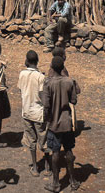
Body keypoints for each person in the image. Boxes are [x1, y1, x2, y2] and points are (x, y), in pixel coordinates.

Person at [41, 56, 80, 192]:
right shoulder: (70, 82)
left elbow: (46, 105)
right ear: (63, 67)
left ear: (51, 67)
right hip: (67, 122)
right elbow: (74, 101)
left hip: (54, 124)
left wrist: (46, 120)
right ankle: (73, 180)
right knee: (69, 150)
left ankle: (56, 184)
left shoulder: (48, 83)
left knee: (55, 152)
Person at [17, 49, 48, 177]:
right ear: (37, 61)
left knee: (31, 141)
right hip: (39, 113)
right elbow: (42, 95)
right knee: (44, 140)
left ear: (26, 61)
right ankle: (48, 167)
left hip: (27, 112)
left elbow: (21, 90)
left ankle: (35, 167)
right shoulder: (41, 77)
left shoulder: (22, 74)